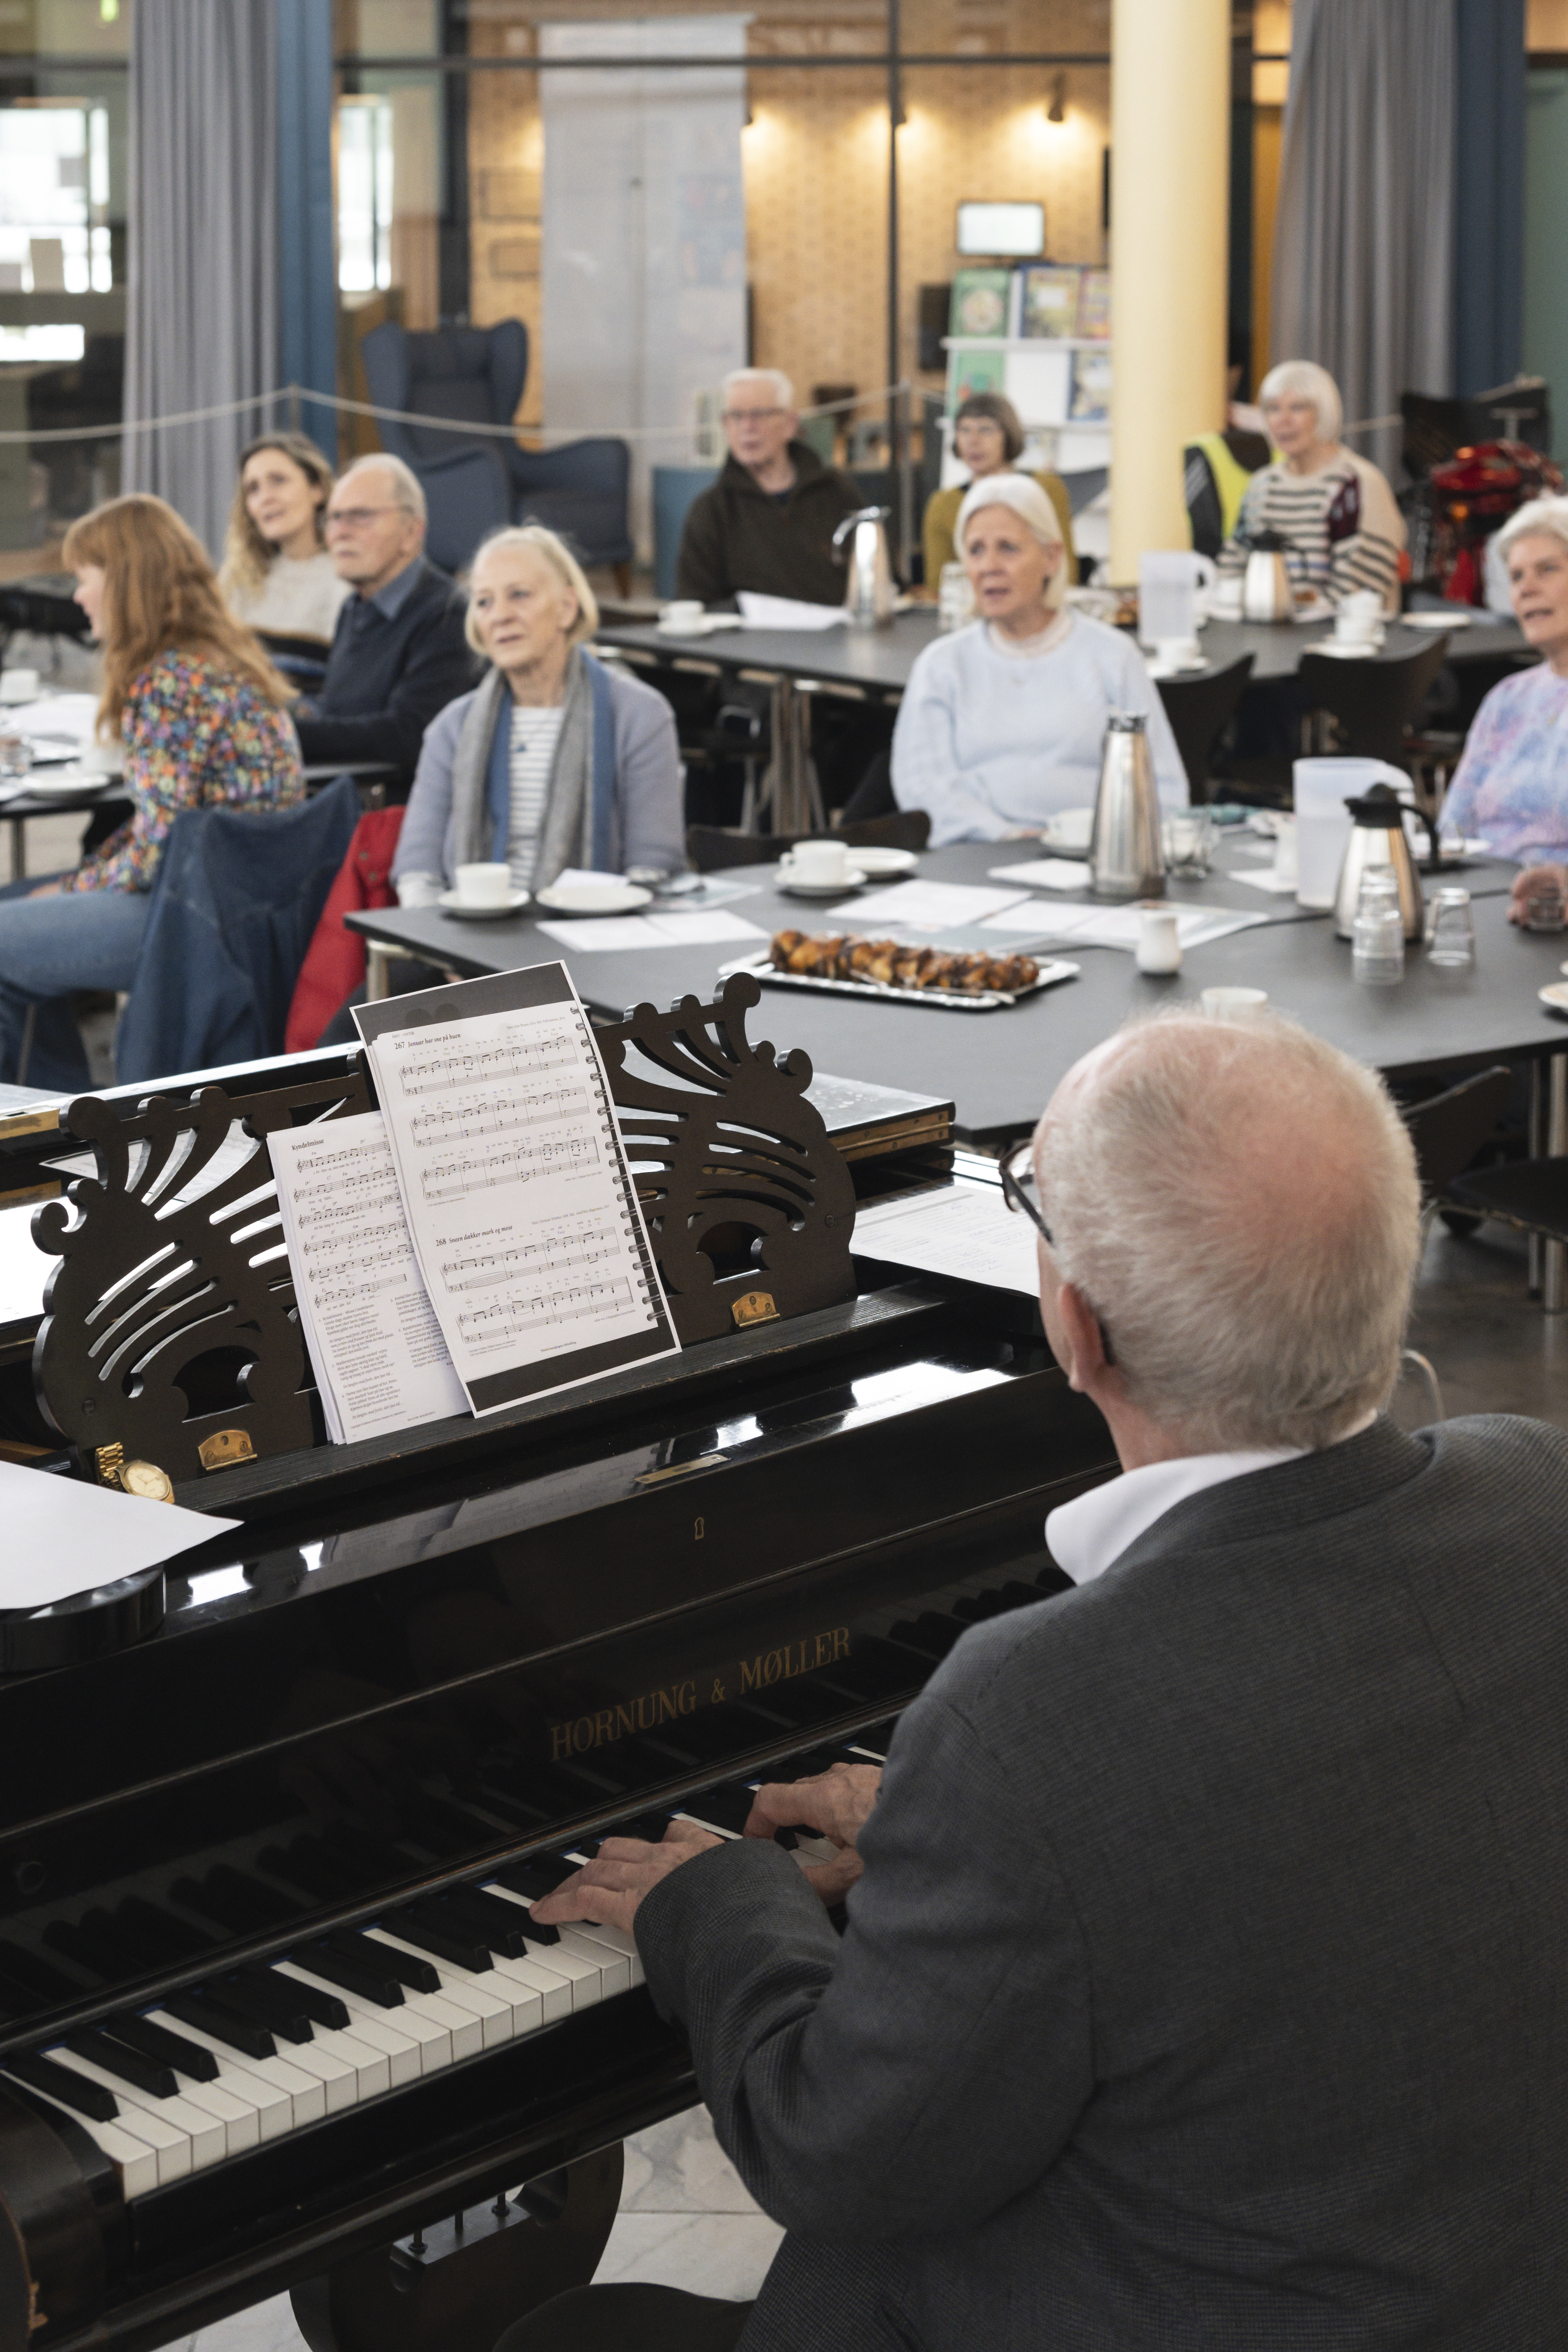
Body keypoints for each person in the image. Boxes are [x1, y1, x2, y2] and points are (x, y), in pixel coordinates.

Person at [519, 1008, 1568, 2352]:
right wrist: (956, 1835)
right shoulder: (1539, 1492)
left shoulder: (1034, 1715)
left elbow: (840, 2156)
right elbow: (1271, 1817)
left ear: (1074, 1328)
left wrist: (718, 1901)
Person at [0, 493, 302, 1089]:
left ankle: (50, 1131)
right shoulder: (212, 659)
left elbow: (157, 852)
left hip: (199, 915)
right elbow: (158, 828)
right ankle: (59, 1111)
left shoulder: (169, 681)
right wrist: (77, 881)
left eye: (86, 579)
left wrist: (74, 885)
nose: (78, 596)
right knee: (18, 901)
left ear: (126, 581)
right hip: (245, 899)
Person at [393, 524, 684, 903]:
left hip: (594, 937)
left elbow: (653, 867)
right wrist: (440, 948)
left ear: (566, 608)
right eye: (484, 602)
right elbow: (419, 867)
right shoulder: (453, 727)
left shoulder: (641, 715)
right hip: (474, 941)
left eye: (519, 595)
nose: (500, 616)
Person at [891, 472, 1185, 844]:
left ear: (1052, 557)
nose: (989, 567)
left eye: (1008, 548)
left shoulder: (1112, 657)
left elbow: (1164, 787)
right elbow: (923, 786)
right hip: (976, 857)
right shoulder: (942, 665)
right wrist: (1005, 836)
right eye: (976, 550)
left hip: (1096, 857)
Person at [292, 453, 477, 792]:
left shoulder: (449, 615)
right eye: (333, 518)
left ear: (411, 532)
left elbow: (408, 736)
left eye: (360, 517)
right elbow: (345, 715)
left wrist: (286, 735)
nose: (340, 533)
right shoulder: (355, 607)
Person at [1439, 497, 1568, 902]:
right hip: (1484, 903)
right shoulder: (1508, 699)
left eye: (1547, 570)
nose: (1526, 589)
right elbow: (1452, 830)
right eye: (1515, 577)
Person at [1216, 359, 1406, 613]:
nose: (1283, 420)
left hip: (1340, 639)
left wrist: (1282, 604)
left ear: (1324, 413)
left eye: (1297, 408)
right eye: (1273, 409)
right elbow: (1230, 568)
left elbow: (1357, 590)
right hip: (1270, 630)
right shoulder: (1261, 485)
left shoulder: (1356, 483)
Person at [675, 369, 862, 609]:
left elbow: (878, 582)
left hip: (836, 640)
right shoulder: (712, 510)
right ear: (725, 425)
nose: (747, 427)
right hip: (744, 645)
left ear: (789, 424)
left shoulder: (838, 494)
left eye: (759, 415)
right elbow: (693, 605)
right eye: (736, 416)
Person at [920, 392, 1076, 594]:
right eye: (964, 431)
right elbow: (937, 586)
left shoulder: (1045, 487)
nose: (973, 441)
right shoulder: (943, 503)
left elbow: (1066, 569)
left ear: (1009, 435)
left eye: (986, 430)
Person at [218, 431, 349, 647]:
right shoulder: (238, 583)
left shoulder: (345, 578)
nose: (265, 498)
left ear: (318, 490)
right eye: (253, 489)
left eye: (278, 481)